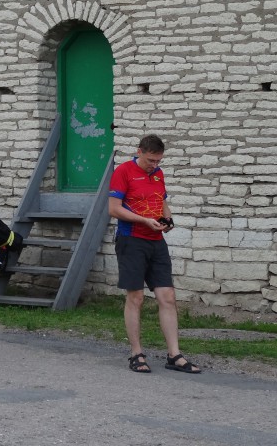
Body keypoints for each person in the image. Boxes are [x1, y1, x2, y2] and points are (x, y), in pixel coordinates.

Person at [108, 134, 201, 374]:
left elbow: (162, 201)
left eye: (159, 161)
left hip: (156, 241)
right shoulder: (123, 172)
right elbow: (114, 209)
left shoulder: (158, 174)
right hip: (131, 240)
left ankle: (174, 355)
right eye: (151, 160)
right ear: (139, 151)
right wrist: (144, 220)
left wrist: (167, 219)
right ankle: (136, 354)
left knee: (167, 296)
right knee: (136, 297)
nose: (155, 165)